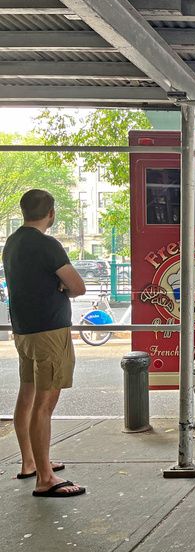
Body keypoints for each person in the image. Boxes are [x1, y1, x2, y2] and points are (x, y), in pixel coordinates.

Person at [2, 190, 87, 497]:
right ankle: (46, 479)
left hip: (24, 331)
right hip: (50, 332)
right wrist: (62, 286)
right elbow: (78, 286)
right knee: (45, 404)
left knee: (27, 395)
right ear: (51, 213)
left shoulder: (12, 243)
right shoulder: (48, 245)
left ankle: (30, 463)